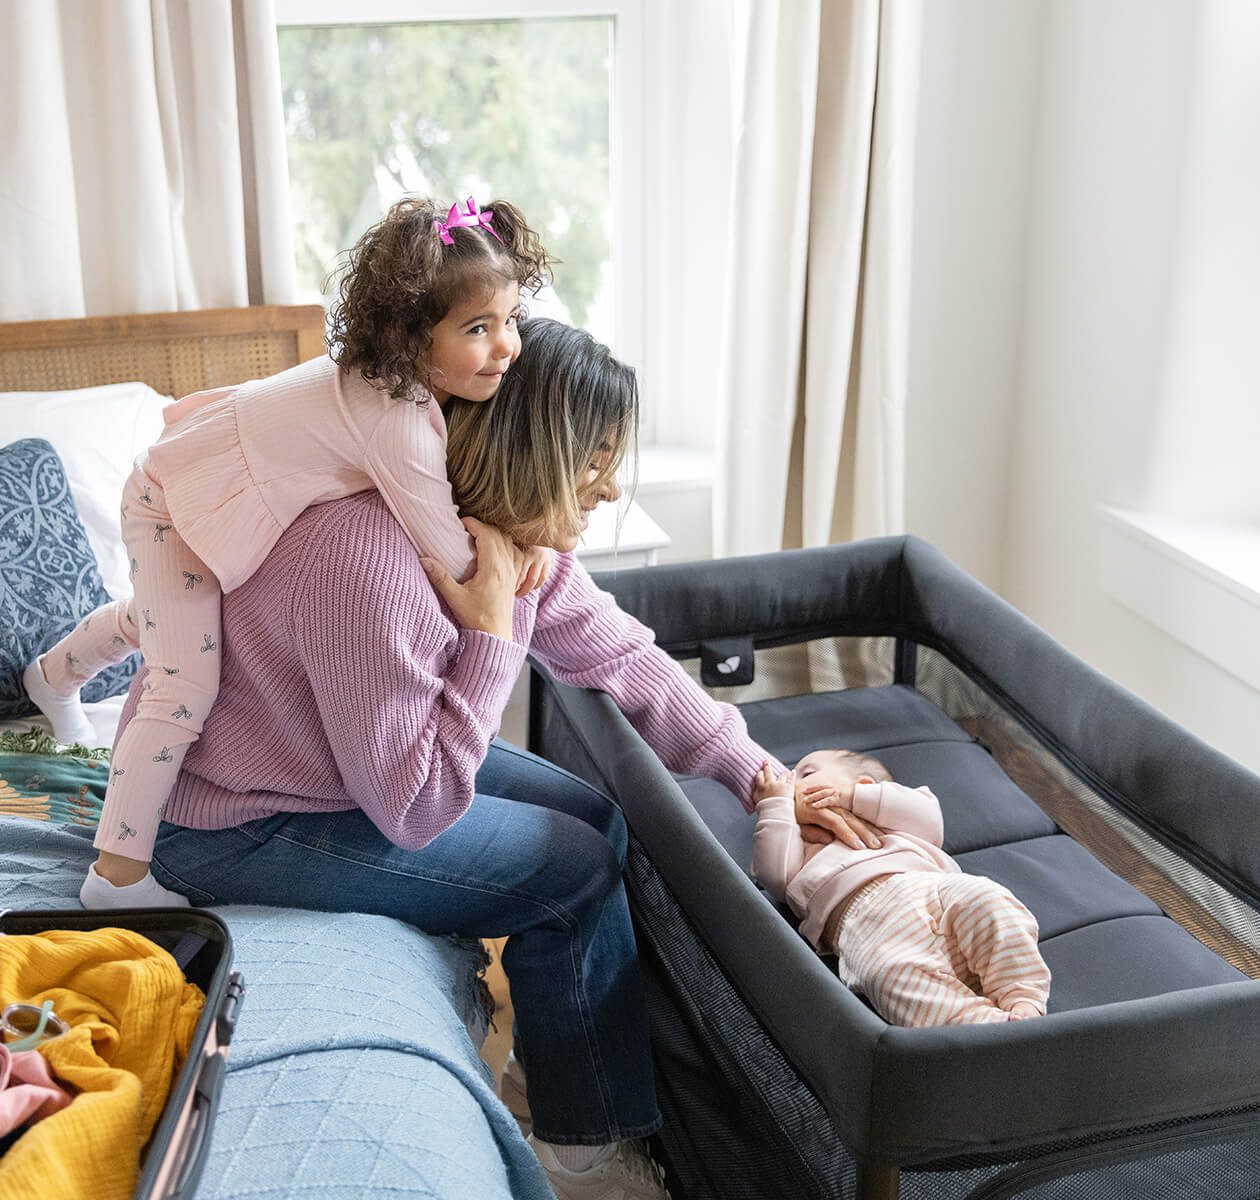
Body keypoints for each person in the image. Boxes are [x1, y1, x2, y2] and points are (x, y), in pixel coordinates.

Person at [126, 317, 874, 1200]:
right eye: (594, 460)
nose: (609, 488)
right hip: (232, 820)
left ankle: (557, 1072)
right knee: (571, 870)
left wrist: (760, 776)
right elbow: (413, 810)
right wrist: (487, 635)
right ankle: (588, 1153)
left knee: (595, 817)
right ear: (534, 447)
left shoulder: (497, 535)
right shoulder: (362, 557)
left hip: (336, 770)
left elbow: (623, 654)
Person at [20, 195, 554, 911]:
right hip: (171, 499)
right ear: (407, 336)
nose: (508, 347)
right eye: (479, 327)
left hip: (204, 486)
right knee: (183, 682)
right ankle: (114, 875)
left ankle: (50, 677)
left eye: (511, 319)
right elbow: (454, 562)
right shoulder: (401, 426)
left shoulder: (393, 389)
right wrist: (515, 565)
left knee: (156, 616)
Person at [751, 749, 1051, 1026]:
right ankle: (989, 1029)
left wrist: (854, 798)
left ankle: (1023, 999)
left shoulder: (892, 818)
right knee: (887, 977)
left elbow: (929, 817)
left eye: (805, 773)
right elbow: (774, 876)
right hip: (867, 931)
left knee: (988, 899)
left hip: (932, 890)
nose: (789, 780)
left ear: (864, 783)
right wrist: (774, 806)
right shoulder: (801, 840)